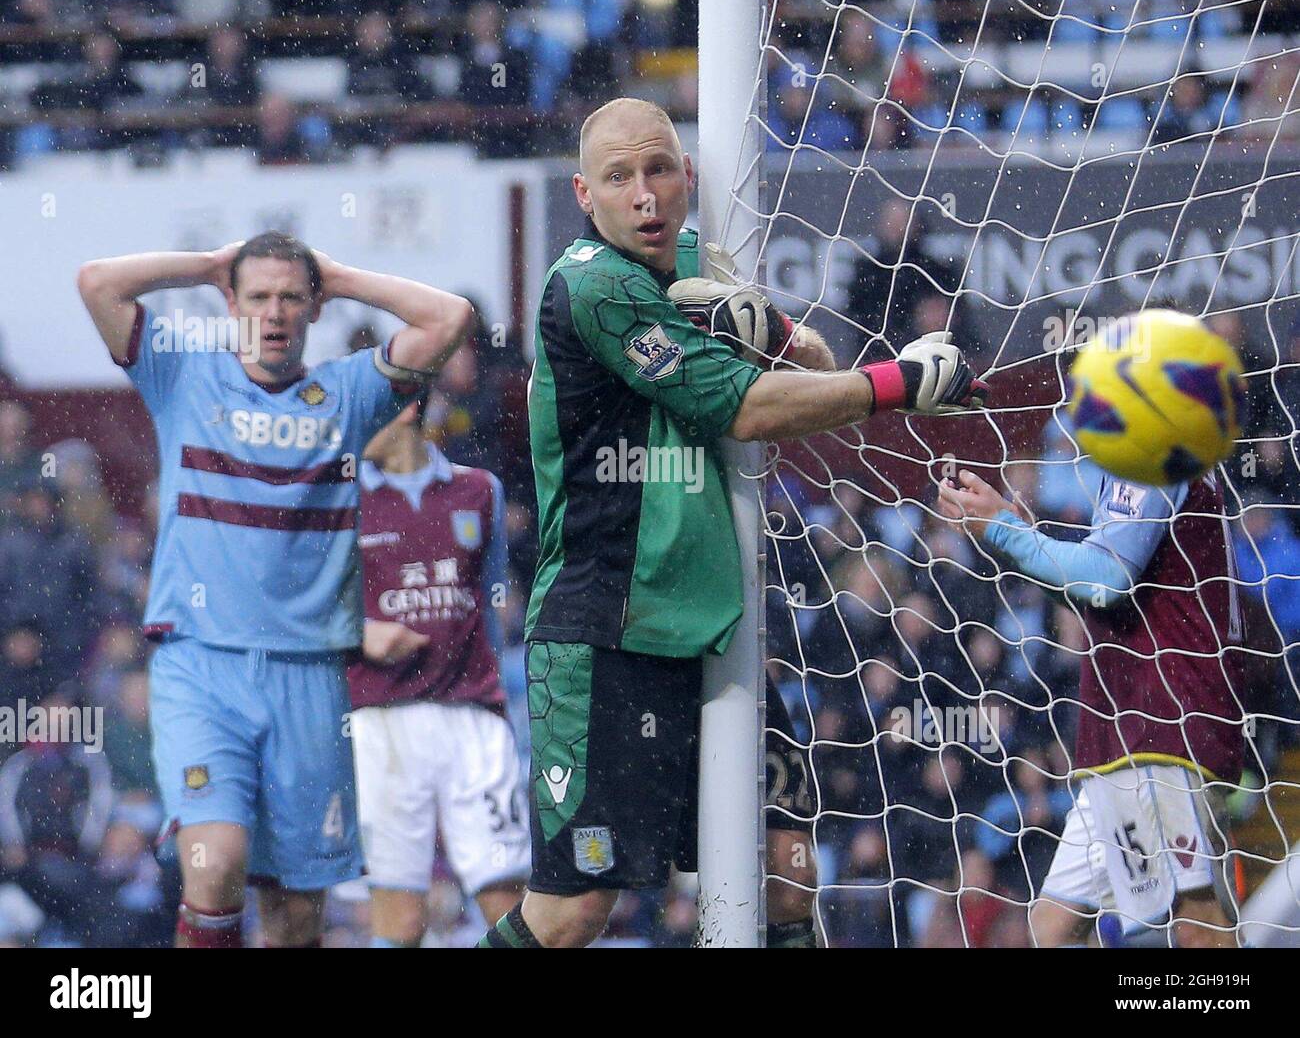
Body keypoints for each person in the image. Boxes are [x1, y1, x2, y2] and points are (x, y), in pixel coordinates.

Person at [478, 97, 987, 949]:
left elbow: (810, 364)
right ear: (583, 194)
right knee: (573, 912)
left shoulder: (693, 259)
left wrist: (770, 326)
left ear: (687, 178)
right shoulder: (592, 286)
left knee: (786, 871)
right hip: (611, 629)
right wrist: (897, 383)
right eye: (619, 177)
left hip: (714, 627)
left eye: (659, 170)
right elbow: (748, 410)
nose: (644, 193)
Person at [77, 230, 472, 947]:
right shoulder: (183, 374)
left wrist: (340, 276)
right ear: (230, 302)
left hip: (308, 675)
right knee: (215, 859)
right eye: (257, 294)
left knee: (295, 917)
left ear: (313, 308)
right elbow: (98, 280)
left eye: (293, 296)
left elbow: (447, 320)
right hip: (200, 663)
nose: (275, 311)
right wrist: (204, 263)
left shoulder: (349, 393)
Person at [938, 457, 1246, 948]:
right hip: (1128, 732)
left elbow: (1103, 581)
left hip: (1161, 722)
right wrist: (1008, 535)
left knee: (1198, 923)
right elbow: (1102, 601)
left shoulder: (1152, 455)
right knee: (1050, 930)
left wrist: (1003, 527)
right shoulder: (1166, 461)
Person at [347, 386, 529, 947]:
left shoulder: (480, 490)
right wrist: (360, 633)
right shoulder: (342, 500)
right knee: (400, 921)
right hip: (383, 724)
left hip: (473, 716)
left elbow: (498, 596)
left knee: (507, 902)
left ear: (405, 410)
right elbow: (304, 604)